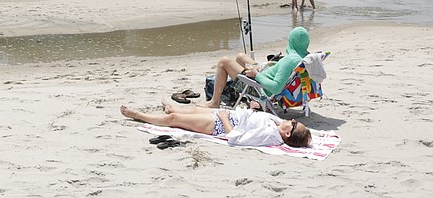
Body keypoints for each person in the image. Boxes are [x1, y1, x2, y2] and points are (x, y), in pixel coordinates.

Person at [197, 26, 311, 109]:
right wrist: (272, 66)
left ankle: (214, 102)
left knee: (224, 62)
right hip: (265, 74)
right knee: (241, 57)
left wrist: (256, 75)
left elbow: (275, 88)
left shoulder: (288, 61)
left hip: (258, 87)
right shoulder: (305, 57)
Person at [120, 100, 311, 148]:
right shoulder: (279, 125)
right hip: (233, 115)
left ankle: (138, 115)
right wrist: (257, 109)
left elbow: (235, 139)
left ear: (287, 134)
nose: (293, 120)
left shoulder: (270, 136)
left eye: (294, 125)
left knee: (173, 121)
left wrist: (224, 119)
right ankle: (173, 109)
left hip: (220, 125)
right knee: (194, 110)